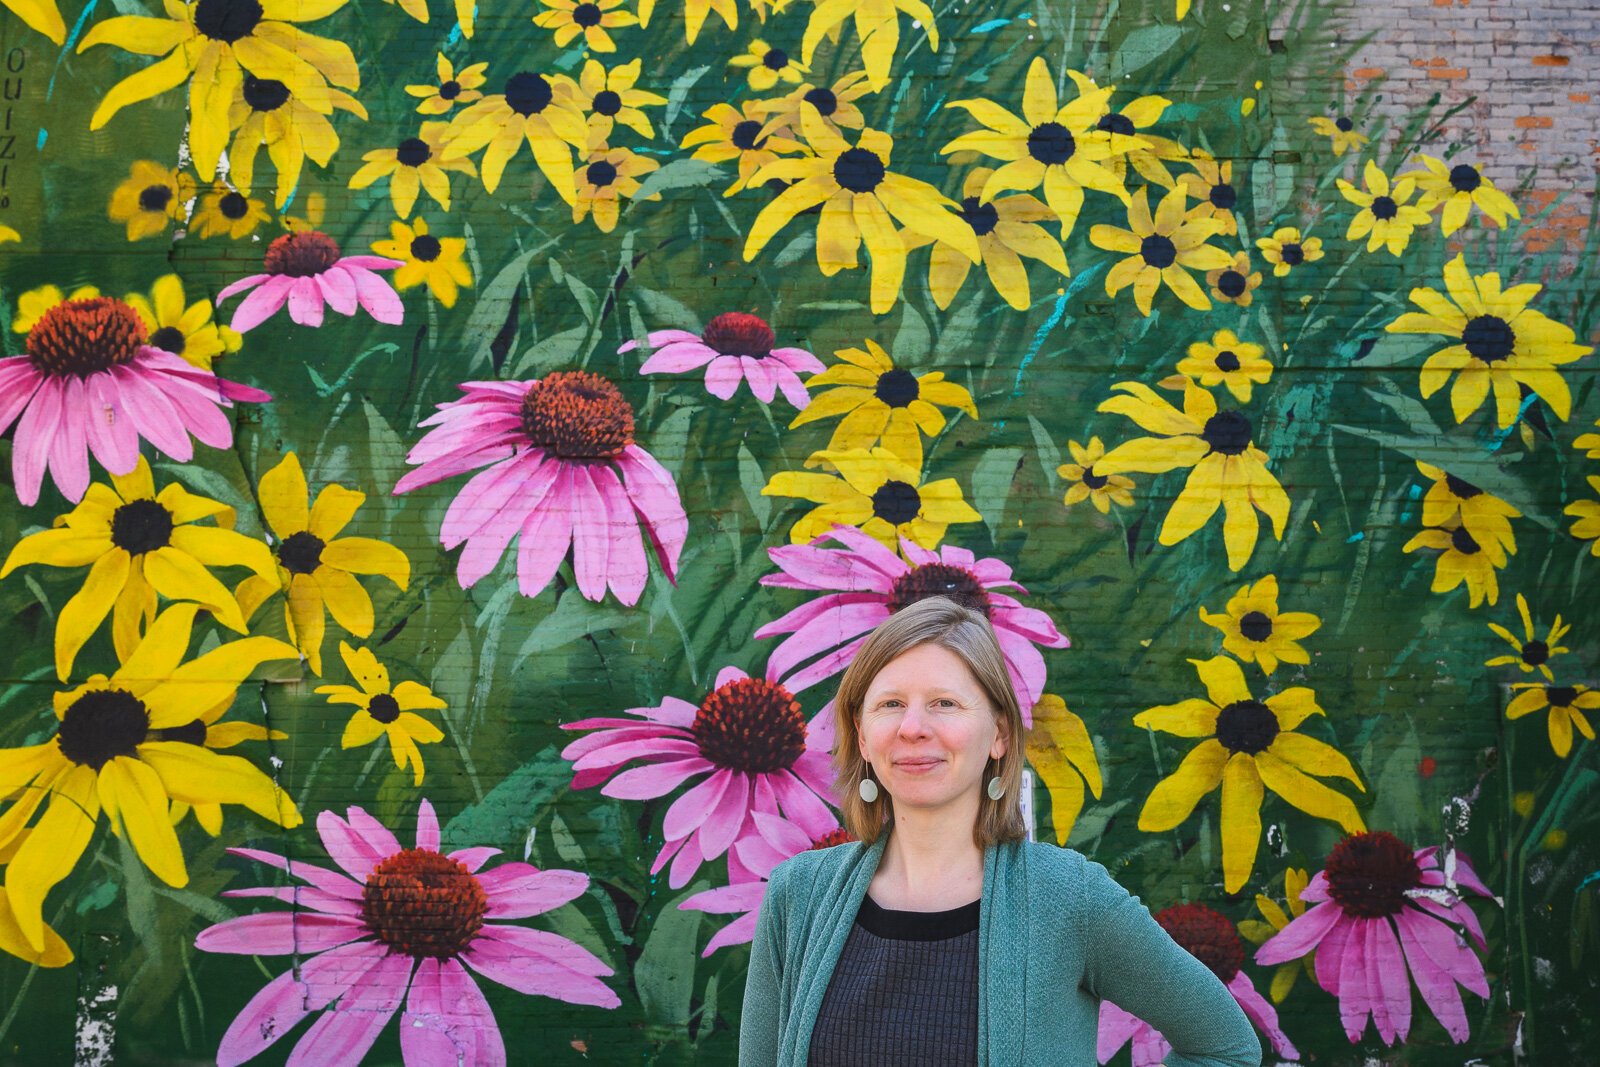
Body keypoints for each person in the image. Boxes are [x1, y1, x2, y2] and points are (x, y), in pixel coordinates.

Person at [739, 596, 1262, 1066]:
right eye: (890, 704)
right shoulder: (798, 895)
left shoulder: (1068, 898)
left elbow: (1225, 1048)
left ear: (1000, 735)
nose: (913, 726)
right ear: (862, 734)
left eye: (945, 702)